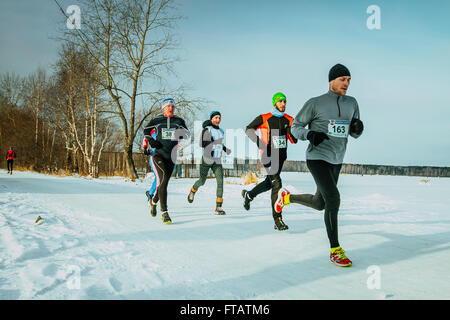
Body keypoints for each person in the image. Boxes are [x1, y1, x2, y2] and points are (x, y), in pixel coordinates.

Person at [274, 64, 364, 266]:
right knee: (333, 199)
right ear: (332, 80)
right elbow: (295, 127)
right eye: (343, 79)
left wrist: (358, 129)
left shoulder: (352, 103)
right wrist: (310, 134)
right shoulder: (315, 103)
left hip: (337, 159)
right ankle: (335, 250)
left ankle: (287, 198)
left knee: (320, 203)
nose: (347, 83)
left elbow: (354, 132)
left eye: (349, 80)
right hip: (317, 158)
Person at [242, 92, 297, 230]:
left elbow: (294, 140)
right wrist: (260, 144)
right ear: (275, 103)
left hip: (281, 157)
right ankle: (278, 220)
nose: (283, 104)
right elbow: (248, 129)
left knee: (269, 183)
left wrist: (292, 131)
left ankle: (249, 195)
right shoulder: (265, 118)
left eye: (285, 102)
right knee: (277, 184)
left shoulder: (289, 119)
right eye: (280, 102)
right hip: (267, 156)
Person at [142, 98, 190, 224]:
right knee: (162, 179)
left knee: (164, 183)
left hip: (171, 157)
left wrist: (180, 142)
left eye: (172, 106)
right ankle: (165, 212)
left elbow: (187, 135)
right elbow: (146, 131)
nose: (170, 108)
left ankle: (153, 201)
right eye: (168, 106)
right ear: (163, 108)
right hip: (158, 155)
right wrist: (150, 141)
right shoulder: (157, 120)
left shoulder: (179, 121)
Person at [187, 111, 231, 215]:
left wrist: (225, 149)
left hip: (217, 160)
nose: (218, 120)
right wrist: (210, 142)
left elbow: (220, 143)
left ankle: (218, 208)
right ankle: (192, 191)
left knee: (220, 182)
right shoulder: (207, 129)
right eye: (215, 118)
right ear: (211, 119)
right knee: (202, 181)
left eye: (219, 118)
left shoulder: (221, 131)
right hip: (207, 159)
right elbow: (201, 143)